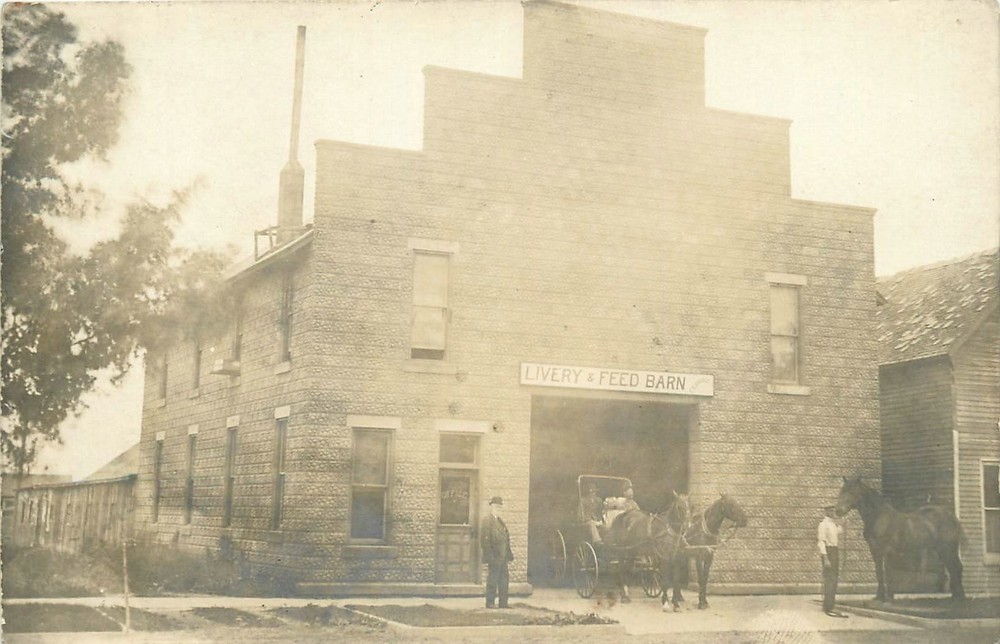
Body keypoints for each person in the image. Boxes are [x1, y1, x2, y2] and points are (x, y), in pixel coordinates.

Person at [481, 496, 513, 609]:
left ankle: (503, 603)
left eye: (500, 506)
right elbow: (485, 540)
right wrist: (489, 557)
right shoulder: (487, 521)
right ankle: (490, 603)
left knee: (504, 580)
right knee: (492, 580)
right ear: (491, 507)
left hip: (503, 556)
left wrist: (508, 555)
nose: (498, 508)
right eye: (495, 506)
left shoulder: (500, 521)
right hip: (494, 556)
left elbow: (505, 538)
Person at [818, 504, 848, 618]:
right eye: (830, 511)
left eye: (833, 510)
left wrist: (842, 524)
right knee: (829, 579)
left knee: (834, 578)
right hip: (828, 552)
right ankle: (827, 606)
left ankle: (831, 605)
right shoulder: (823, 525)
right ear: (826, 512)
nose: (832, 512)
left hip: (835, 551)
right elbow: (821, 542)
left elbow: (838, 532)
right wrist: (825, 558)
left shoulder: (832, 524)